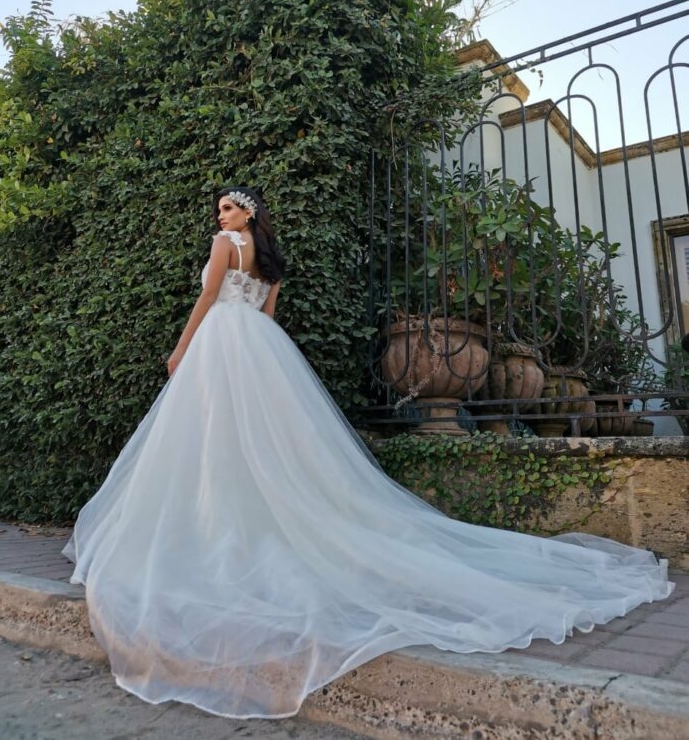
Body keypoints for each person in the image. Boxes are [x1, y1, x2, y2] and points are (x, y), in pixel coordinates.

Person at [62, 186, 675, 720]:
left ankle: (218, 525)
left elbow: (207, 301)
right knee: (261, 440)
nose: (220, 215)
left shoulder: (226, 249)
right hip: (260, 350)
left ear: (247, 217)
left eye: (229, 207)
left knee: (212, 436)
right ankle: (233, 518)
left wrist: (181, 349)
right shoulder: (272, 266)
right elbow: (270, 318)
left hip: (221, 342)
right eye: (220, 209)